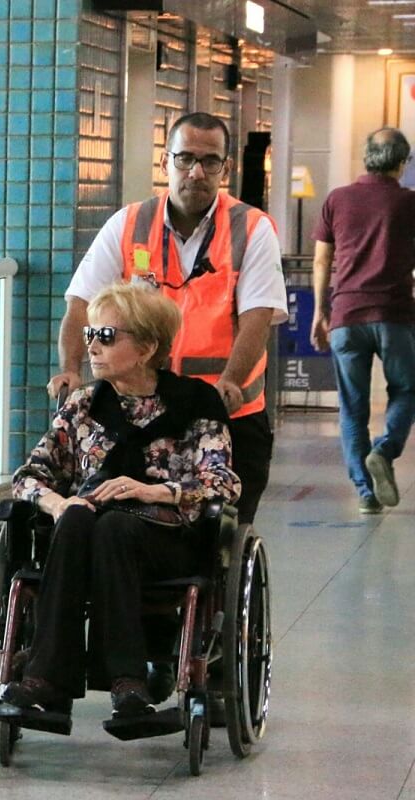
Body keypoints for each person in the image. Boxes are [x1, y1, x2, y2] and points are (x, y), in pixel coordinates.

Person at [0, 284, 241, 722]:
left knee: (115, 526)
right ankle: (48, 676)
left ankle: (128, 681)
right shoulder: (82, 405)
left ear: (147, 347)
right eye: (91, 332)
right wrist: (57, 503)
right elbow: (29, 475)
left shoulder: (195, 404)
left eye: (107, 336)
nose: (91, 345)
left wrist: (152, 491)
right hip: (83, 537)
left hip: (164, 541)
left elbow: (222, 483)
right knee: (76, 519)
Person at [49, 112, 285, 525]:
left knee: (219, 533)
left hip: (223, 414)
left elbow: (257, 317)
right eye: (185, 159)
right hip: (139, 414)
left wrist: (231, 380)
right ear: (165, 163)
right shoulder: (128, 223)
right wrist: (70, 369)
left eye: (210, 161)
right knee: (120, 516)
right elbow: (81, 303)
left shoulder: (252, 229)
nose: (196, 172)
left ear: (225, 169)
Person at [310, 128, 415, 514]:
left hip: (346, 316)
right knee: (406, 390)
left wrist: (320, 312)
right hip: (395, 315)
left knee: (351, 407)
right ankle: (384, 450)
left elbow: (322, 260)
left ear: (365, 157)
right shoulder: (409, 203)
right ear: (402, 163)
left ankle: (365, 493)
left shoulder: (338, 199)